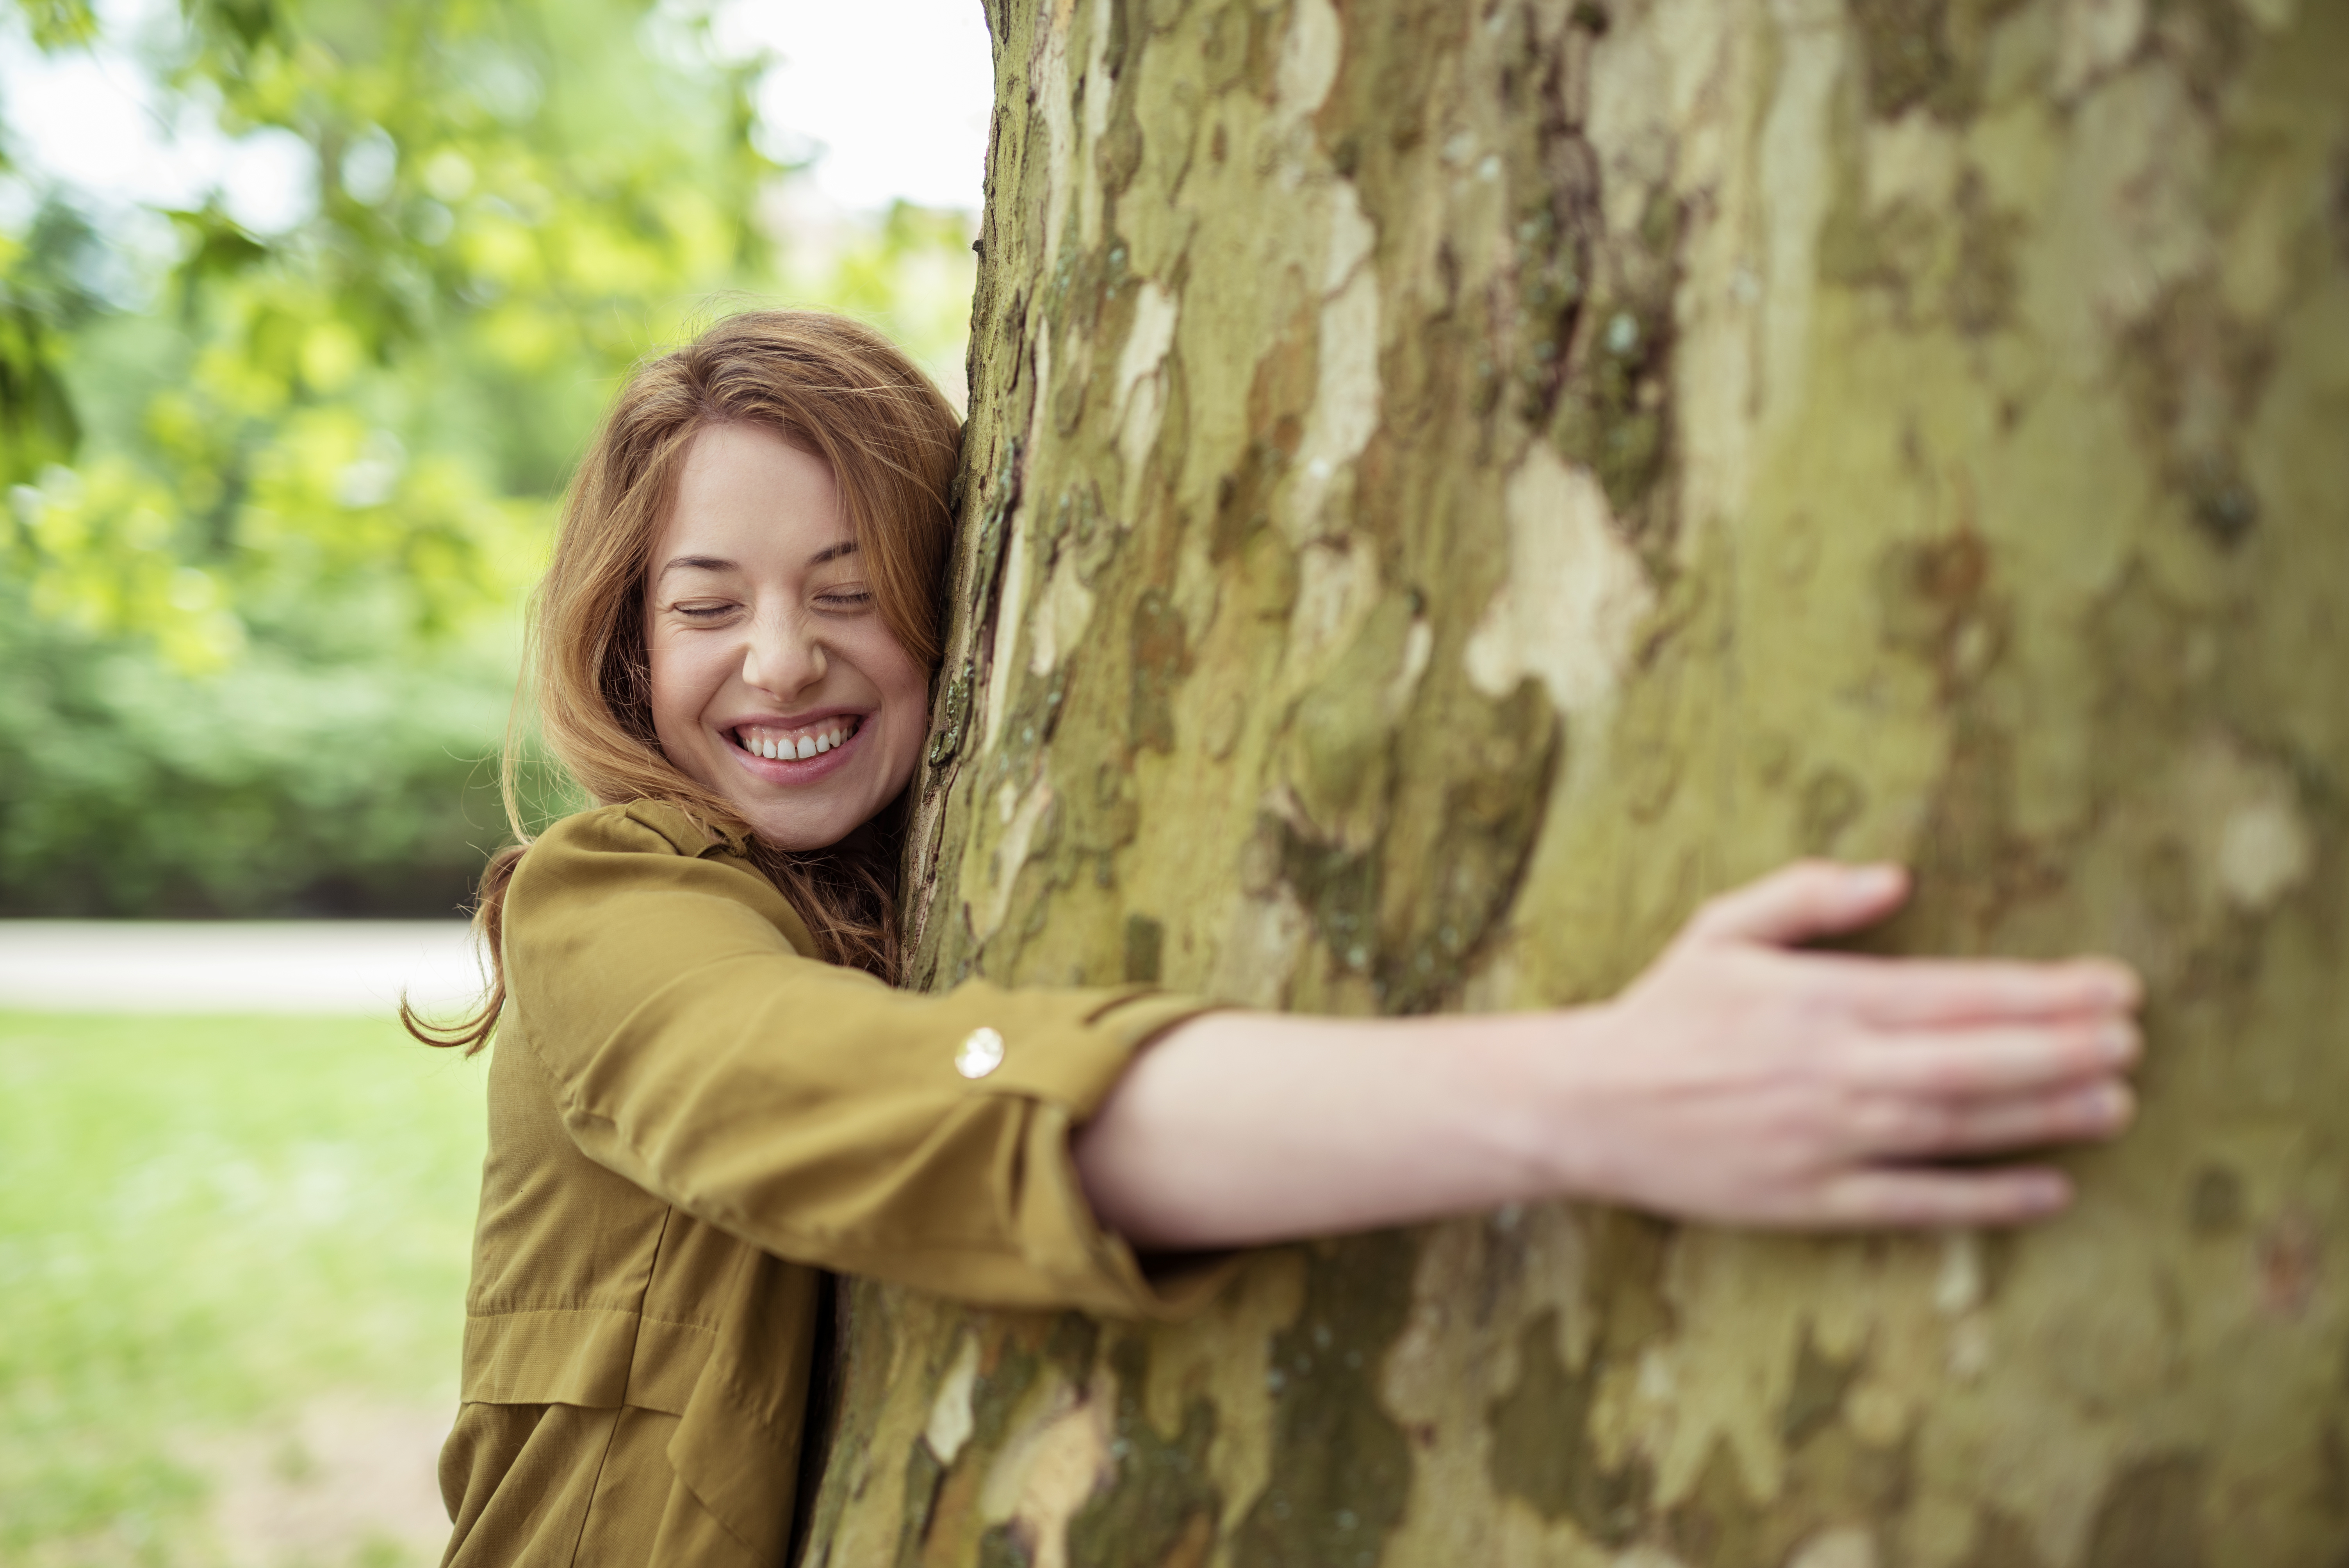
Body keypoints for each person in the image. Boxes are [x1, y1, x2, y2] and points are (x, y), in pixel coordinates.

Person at [410, 310, 2141, 1565]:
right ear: (631, 648)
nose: (779, 657)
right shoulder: (607, 907)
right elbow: (835, 1087)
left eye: (851, 588)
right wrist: (1598, 1092)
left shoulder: (942, 886)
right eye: (709, 604)